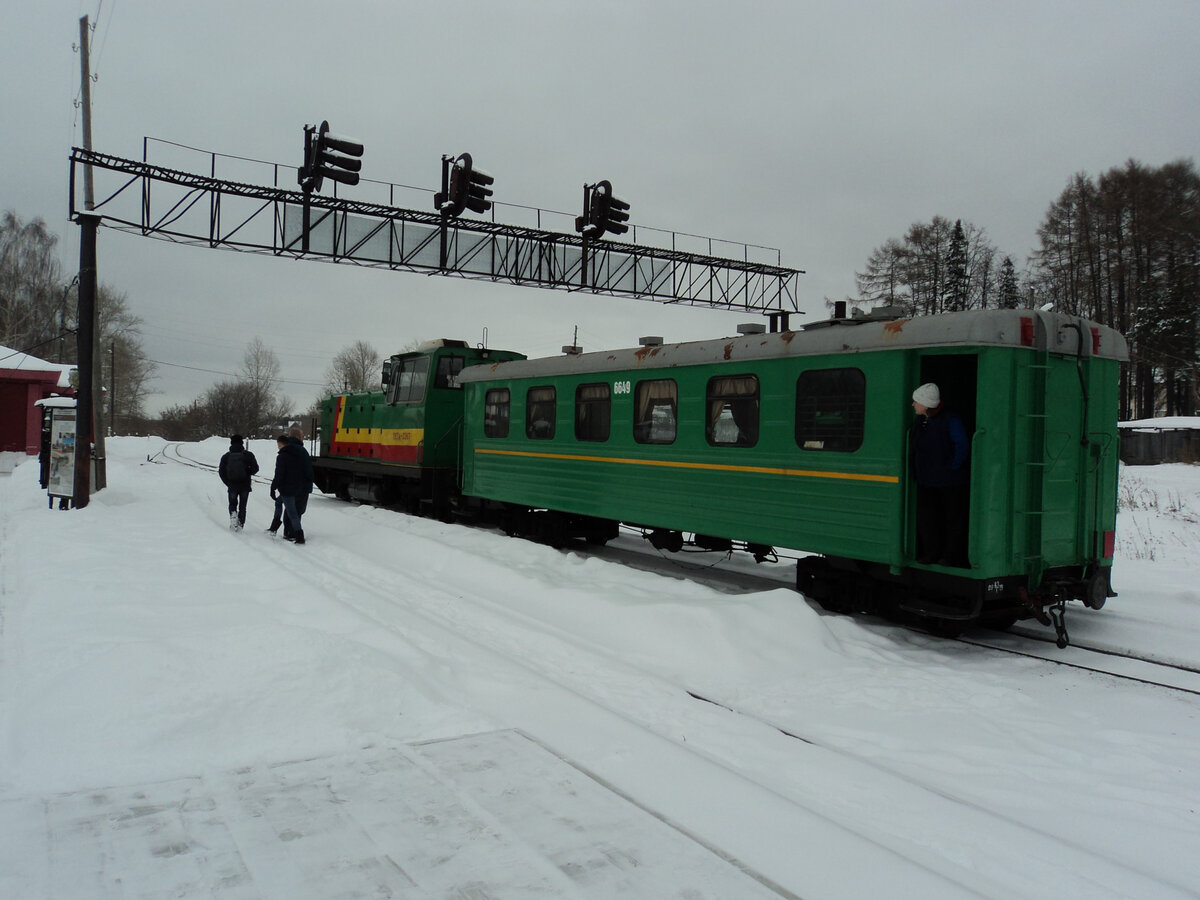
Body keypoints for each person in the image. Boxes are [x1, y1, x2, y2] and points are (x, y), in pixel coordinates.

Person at [909, 383, 970, 567]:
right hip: (927, 479)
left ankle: (949, 556)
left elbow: (962, 445)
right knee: (928, 519)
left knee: (950, 518)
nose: (913, 404)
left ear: (926, 405)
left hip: (949, 481)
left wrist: (952, 467)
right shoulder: (921, 421)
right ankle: (930, 554)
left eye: (916, 401)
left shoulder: (951, 420)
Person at [270, 428, 314, 544]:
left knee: (289, 510)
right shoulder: (303, 452)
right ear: (300, 437)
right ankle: (295, 533)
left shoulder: (284, 452)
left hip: (287, 488)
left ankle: (287, 532)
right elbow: (309, 471)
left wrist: (274, 487)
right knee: (298, 511)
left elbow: (280, 473)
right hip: (302, 488)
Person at [218, 434, 260, 531]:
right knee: (243, 506)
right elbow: (256, 469)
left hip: (232, 485)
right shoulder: (248, 455)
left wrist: (228, 482)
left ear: (231, 443)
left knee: (232, 503)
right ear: (242, 443)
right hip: (245, 485)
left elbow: (221, 472)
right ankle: (241, 524)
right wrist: (247, 472)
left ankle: (233, 514)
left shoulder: (226, 456)